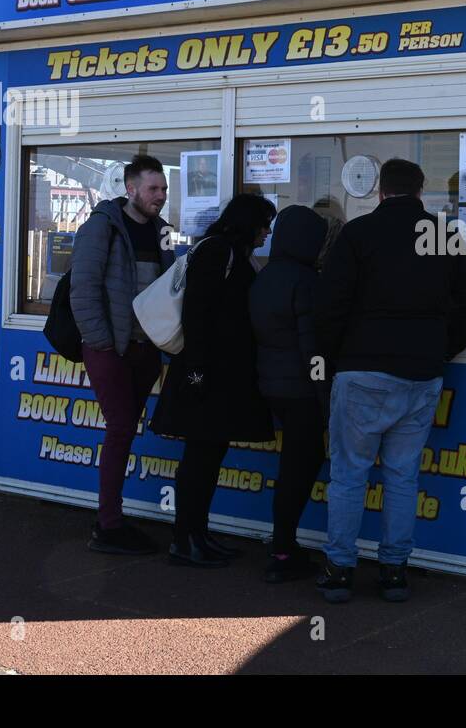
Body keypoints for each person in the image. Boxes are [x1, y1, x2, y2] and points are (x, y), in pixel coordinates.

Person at [313, 158, 466, 603]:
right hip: (421, 374)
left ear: (379, 192)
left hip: (362, 372)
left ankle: (339, 570)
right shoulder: (440, 235)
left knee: (349, 475)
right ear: (420, 193)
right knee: (401, 476)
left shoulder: (357, 234)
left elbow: (330, 306)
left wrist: (332, 358)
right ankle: (394, 571)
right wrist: (440, 347)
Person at [150, 194, 277, 567]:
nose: (267, 232)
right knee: (200, 458)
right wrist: (196, 373)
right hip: (206, 375)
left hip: (218, 375)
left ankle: (197, 534)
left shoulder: (234, 253)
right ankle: (185, 538)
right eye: (263, 224)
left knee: (209, 456)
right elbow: (197, 314)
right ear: (246, 223)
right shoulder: (218, 252)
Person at [70, 154, 174, 554]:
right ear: (130, 189)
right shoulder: (102, 227)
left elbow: (168, 288)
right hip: (111, 349)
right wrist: (101, 344)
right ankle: (108, 525)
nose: (160, 196)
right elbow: (83, 288)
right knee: (119, 429)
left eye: (164, 189)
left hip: (146, 348)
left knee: (126, 428)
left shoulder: (163, 232)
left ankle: (112, 520)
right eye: (153, 189)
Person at [249, 205, 329, 582]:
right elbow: (312, 349)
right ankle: (283, 550)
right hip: (301, 392)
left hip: (271, 386)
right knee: (299, 468)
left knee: (291, 467)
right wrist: (324, 395)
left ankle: (283, 545)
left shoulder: (263, 278)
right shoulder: (307, 282)